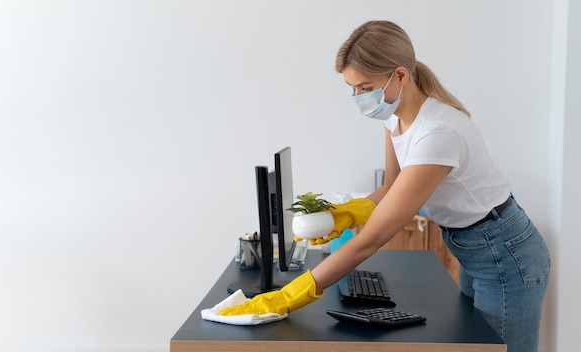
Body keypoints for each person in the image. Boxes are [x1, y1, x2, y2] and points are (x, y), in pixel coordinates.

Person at [220, 20, 550, 352]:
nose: (358, 97)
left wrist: (289, 296)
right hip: (472, 245)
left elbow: (371, 241)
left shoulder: (438, 133)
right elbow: (392, 185)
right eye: (352, 88)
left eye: (365, 87)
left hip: (504, 251)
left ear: (400, 76)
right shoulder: (393, 116)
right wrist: (347, 214)